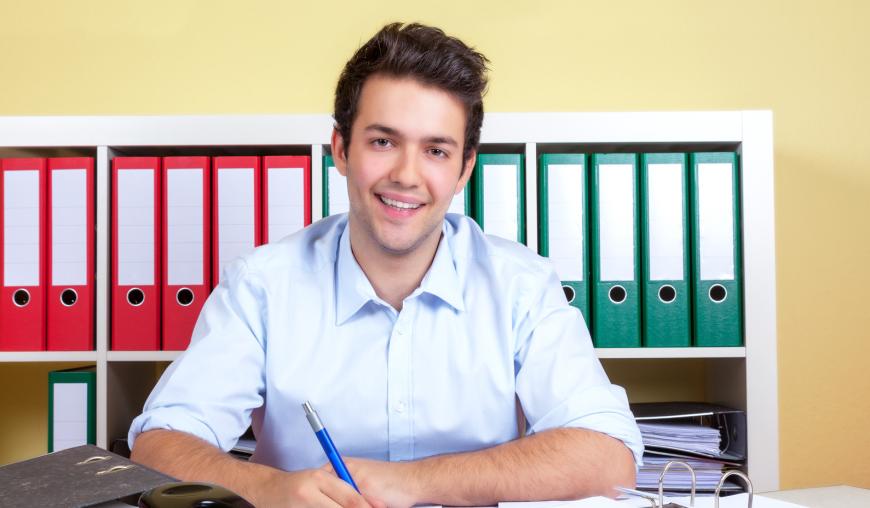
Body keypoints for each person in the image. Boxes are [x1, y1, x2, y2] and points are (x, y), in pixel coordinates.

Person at [129, 22, 642, 508]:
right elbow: (159, 445)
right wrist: (267, 488)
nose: (406, 175)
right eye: (383, 141)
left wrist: (410, 481)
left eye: (436, 150)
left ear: (465, 168)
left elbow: (608, 453)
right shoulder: (262, 285)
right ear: (341, 149)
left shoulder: (520, 285)